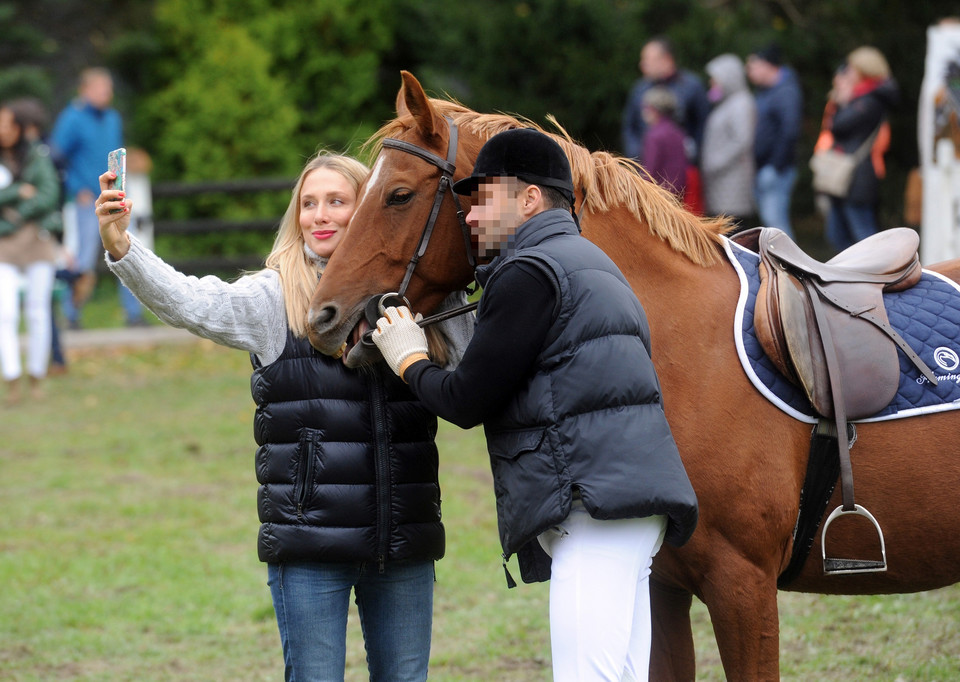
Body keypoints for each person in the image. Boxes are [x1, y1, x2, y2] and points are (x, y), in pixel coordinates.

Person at [95, 151, 473, 681]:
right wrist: (123, 249)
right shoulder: (276, 296)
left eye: (337, 202)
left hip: (402, 538)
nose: (319, 215)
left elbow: (476, 359)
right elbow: (191, 302)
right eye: (308, 204)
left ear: (367, 209)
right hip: (309, 543)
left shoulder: (416, 297)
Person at [371, 129, 698, 682]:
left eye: (484, 200)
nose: (470, 217)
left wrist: (408, 359)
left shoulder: (531, 272)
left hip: (591, 510)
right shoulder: (592, 264)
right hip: (630, 507)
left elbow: (466, 399)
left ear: (528, 200)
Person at [50, 67, 128, 328]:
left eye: (109, 88)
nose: (107, 93)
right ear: (84, 90)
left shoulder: (112, 118)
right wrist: (76, 188)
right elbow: (56, 158)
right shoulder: (72, 118)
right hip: (86, 202)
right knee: (82, 261)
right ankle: (71, 317)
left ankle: (134, 314)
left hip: (115, 198)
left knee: (127, 252)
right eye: (100, 88)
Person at [0, 100, 62, 405]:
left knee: (38, 312)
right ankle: (11, 378)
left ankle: (36, 376)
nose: (2, 129)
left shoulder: (38, 155)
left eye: (7, 123)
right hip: (4, 244)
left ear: (20, 128)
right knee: (5, 315)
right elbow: (23, 192)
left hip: (38, 242)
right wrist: (17, 193)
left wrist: (17, 212)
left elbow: (49, 194)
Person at [820, 47, 898, 252]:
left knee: (864, 236)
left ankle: (881, 276)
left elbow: (838, 126)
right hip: (847, 175)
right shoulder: (863, 97)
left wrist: (842, 102)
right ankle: (854, 277)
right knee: (838, 234)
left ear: (864, 70)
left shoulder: (871, 100)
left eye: (851, 69)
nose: (847, 74)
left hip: (858, 176)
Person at [621, 36, 711, 164]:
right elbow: (629, 126)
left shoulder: (692, 86)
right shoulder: (639, 89)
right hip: (645, 167)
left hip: (680, 168)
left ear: (667, 60)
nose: (642, 64)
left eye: (647, 59)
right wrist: (636, 155)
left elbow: (702, 126)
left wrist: (692, 156)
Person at [746, 44, 803, 238]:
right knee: (772, 223)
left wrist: (775, 166)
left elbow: (790, 131)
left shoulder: (786, 92)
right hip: (765, 167)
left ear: (767, 65)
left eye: (753, 66)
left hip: (777, 169)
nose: (750, 71)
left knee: (777, 225)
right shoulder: (765, 91)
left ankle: (793, 268)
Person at [702, 54, 757, 229]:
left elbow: (742, 140)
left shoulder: (741, 103)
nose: (712, 83)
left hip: (733, 182)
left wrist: (715, 162)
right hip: (721, 183)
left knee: (734, 232)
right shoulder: (728, 103)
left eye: (715, 79)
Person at [640, 87, 689, 197]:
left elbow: (649, 171)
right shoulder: (678, 132)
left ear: (654, 109)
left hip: (657, 197)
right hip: (677, 195)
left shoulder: (654, 135)